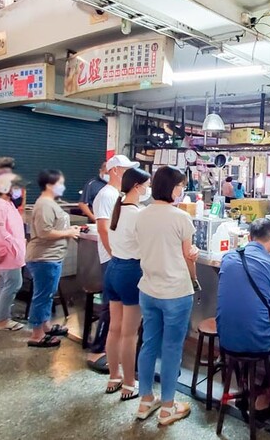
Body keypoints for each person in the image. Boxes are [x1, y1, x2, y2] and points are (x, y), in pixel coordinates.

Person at [134, 166, 198, 425]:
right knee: (171, 349)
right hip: (175, 293)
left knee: (149, 344)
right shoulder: (181, 218)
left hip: (148, 290)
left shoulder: (141, 215)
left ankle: (146, 400)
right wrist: (193, 273)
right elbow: (187, 256)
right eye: (181, 186)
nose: (182, 190)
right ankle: (168, 407)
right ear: (172, 188)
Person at [217, 218, 270, 416]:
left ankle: (244, 386)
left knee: (246, 325)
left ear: (250, 237)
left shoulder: (228, 257)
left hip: (224, 338)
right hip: (255, 342)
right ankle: (264, 394)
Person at [103, 167, 151, 401]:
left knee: (115, 328)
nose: (147, 189)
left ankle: (114, 376)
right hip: (132, 272)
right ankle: (130, 384)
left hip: (113, 269)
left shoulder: (118, 209)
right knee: (129, 334)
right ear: (137, 186)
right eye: (146, 185)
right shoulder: (138, 214)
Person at [87, 155, 139, 371]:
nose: (129, 174)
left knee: (114, 311)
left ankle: (111, 355)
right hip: (113, 259)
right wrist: (115, 255)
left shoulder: (115, 195)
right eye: (126, 169)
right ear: (115, 170)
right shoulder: (107, 195)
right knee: (110, 309)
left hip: (116, 259)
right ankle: (98, 351)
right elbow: (102, 228)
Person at [25, 170, 81, 348]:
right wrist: (69, 232)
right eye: (61, 183)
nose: (63, 187)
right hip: (44, 258)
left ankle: (46, 326)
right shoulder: (44, 205)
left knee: (47, 295)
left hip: (51, 257)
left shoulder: (50, 204)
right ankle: (36, 335)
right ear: (49, 185)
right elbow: (44, 232)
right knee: (42, 296)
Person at [0, 173, 26, 332]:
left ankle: (0, 314)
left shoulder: (6, 204)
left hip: (12, 251)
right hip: (8, 253)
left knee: (6, 283)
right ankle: (1, 320)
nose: (19, 191)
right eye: (15, 187)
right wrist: (12, 246)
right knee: (13, 284)